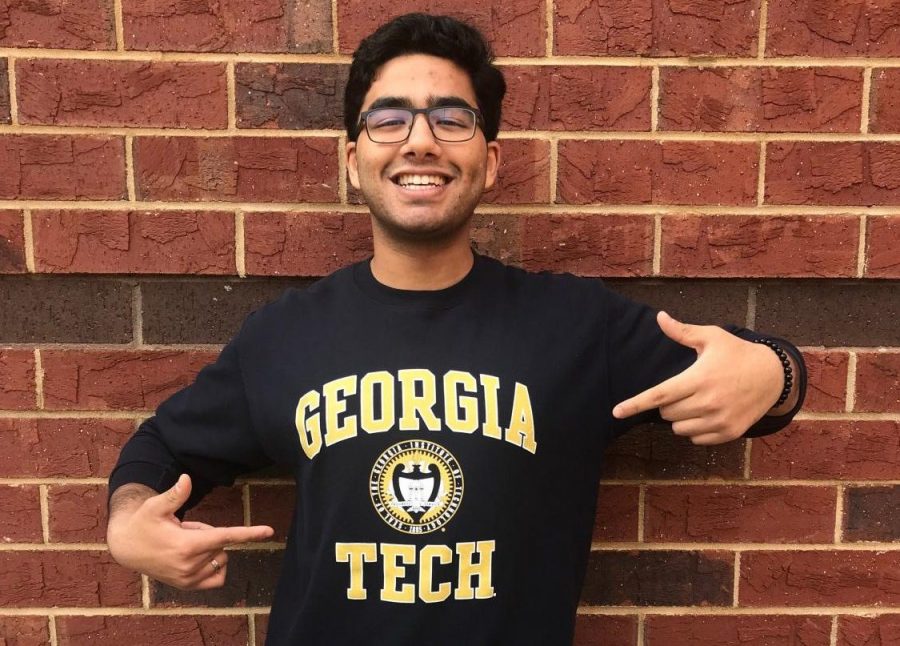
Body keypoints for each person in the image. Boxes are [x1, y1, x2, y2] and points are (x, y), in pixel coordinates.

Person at [106, 13, 806, 645]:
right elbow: (162, 447)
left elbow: (763, 379)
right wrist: (129, 522)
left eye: (451, 118)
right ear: (354, 161)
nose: (419, 141)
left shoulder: (574, 326)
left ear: (490, 160)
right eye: (389, 120)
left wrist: (771, 372)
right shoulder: (284, 337)